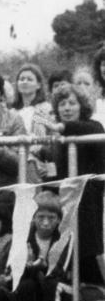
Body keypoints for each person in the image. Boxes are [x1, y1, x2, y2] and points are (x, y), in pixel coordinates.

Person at [46, 84, 105, 286]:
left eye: (72, 103)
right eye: (62, 104)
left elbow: (92, 129)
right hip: (64, 203)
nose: (67, 108)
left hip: (88, 200)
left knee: (88, 255)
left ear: (82, 106)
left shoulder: (92, 127)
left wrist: (62, 128)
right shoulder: (55, 138)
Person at [10, 190, 73, 301]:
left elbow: (61, 270)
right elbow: (18, 271)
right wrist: (30, 266)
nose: (45, 223)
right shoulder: (25, 239)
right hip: (37, 286)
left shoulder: (65, 239)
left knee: (52, 284)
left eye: (51, 218)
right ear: (33, 218)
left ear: (59, 219)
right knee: (25, 285)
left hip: (62, 288)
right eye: (41, 217)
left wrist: (44, 267)